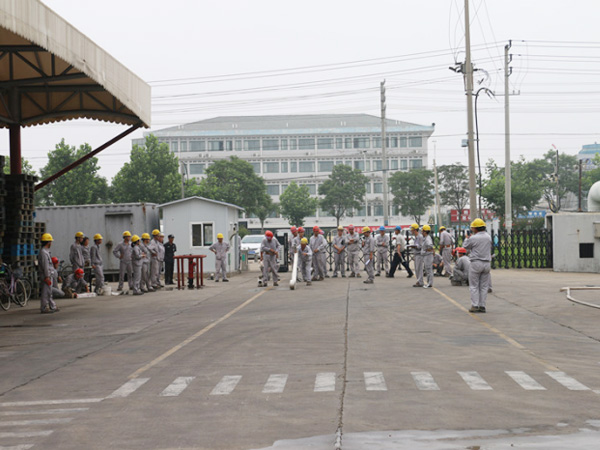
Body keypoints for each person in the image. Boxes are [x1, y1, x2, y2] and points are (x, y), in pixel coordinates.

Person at [463, 218, 492, 313]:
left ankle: (475, 305)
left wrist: (467, 238)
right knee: (484, 286)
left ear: (476, 228)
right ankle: (482, 306)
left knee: (474, 285)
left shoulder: (473, 238)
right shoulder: (488, 237)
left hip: (476, 263)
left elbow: (465, 246)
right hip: (487, 263)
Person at [38, 233, 59, 313]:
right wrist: (46, 276)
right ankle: (44, 307)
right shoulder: (43, 253)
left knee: (49, 292)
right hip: (46, 275)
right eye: (50, 241)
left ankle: (52, 306)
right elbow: (45, 266)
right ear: (48, 242)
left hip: (49, 274)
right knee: (45, 292)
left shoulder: (46, 251)